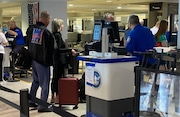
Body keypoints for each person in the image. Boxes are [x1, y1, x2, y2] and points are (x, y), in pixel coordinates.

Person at [26, 11, 55, 112]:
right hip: (43, 62)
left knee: (36, 81)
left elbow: (28, 42)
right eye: (49, 20)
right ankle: (42, 105)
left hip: (33, 60)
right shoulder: (47, 32)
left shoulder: (31, 30)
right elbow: (51, 49)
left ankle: (30, 100)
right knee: (45, 84)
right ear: (46, 19)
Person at [51, 18, 76, 103]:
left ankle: (53, 95)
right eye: (62, 24)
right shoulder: (58, 35)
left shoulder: (53, 35)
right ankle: (57, 96)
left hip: (55, 59)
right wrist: (70, 50)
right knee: (58, 78)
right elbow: (59, 49)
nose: (63, 26)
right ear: (58, 26)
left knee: (55, 77)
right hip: (59, 60)